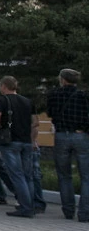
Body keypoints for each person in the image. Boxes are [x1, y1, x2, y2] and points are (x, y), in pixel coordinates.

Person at [0, 76, 39, 218]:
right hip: (26, 141)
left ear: (4, 86)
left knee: (17, 175)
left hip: (10, 141)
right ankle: (32, 204)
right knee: (27, 176)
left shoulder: (2, 100)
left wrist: (0, 127)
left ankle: (25, 207)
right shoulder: (27, 101)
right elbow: (35, 122)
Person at [46, 68, 89, 222]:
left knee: (64, 175)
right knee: (86, 176)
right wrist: (84, 128)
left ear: (63, 79)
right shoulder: (83, 95)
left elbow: (50, 113)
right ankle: (84, 213)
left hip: (61, 135)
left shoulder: (54, 94)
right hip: (81, 136)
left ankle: (68, 211)